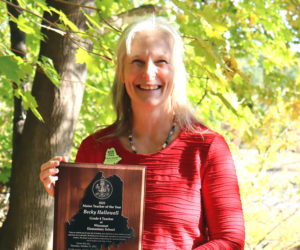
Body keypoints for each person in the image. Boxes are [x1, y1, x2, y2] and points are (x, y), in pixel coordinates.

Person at [40, 16, 245, 249]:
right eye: (137, 61)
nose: (149, 73)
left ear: (176, 71)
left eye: (160, 61)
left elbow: (231, 241)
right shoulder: (95, 148)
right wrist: (69, 200)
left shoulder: (206, 147)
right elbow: (87, 241)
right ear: (121, 72)